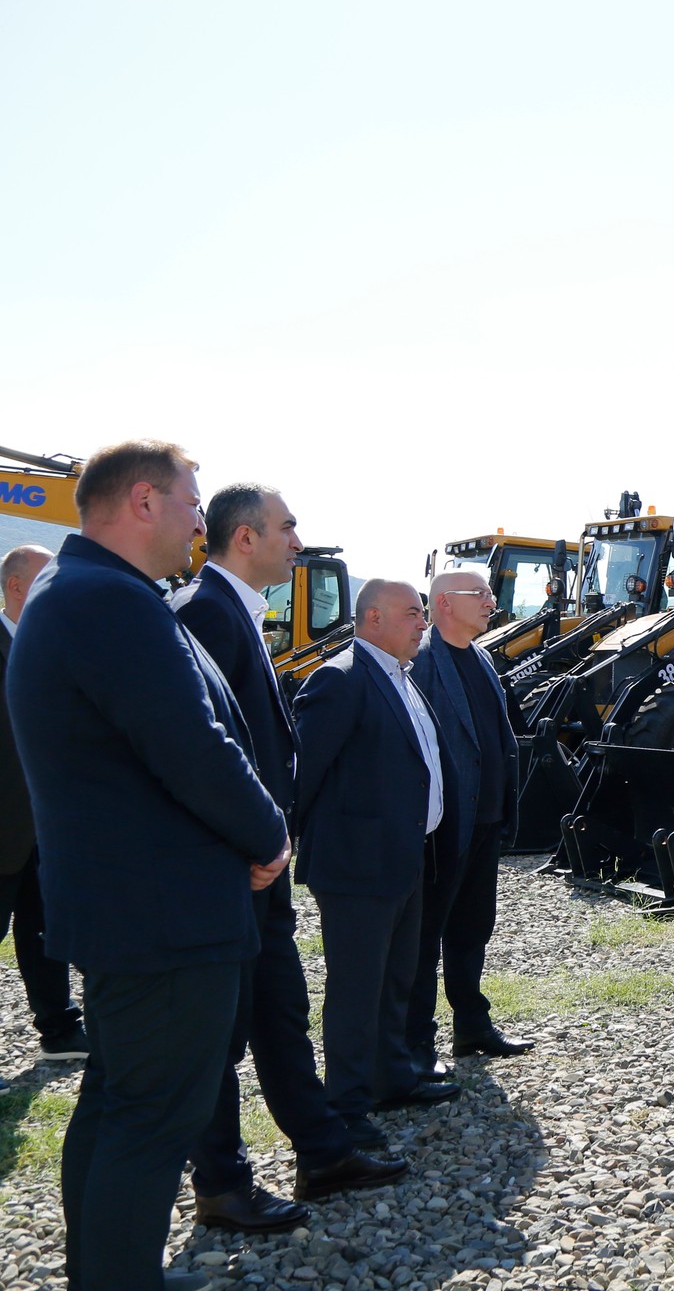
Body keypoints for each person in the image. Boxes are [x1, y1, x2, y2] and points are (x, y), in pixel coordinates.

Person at [5, 440, 289, 1291]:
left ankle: (105, 1272)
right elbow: (191, 745)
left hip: (132, 907)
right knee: (151, 1119)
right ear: (142, 501)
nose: (201, 521)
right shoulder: (106, 599)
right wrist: (268, 834)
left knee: (119, 1103)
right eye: (192, 503)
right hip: (163, 914)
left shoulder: (80, 590)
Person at [173, 486, 407, 1230]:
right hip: (233, 865)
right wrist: (246, 841)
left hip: (260, 859)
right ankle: (221, 1183)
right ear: (246, 538)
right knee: (223, 1029)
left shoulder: (236, 610)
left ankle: (323, 1152)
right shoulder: (206, 612)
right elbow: (199, 751)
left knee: (280, 1011)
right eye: (287, 527)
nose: (298, 543)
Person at [293, 580, 460, 1148]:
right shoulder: (340, 679)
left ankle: (391, 1080)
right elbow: (304, 775)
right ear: (373, 618)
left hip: (404, 855)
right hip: (357, 866)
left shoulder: (401, 676)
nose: (422, 624)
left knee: (396, 979)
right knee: (356, 989)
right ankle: (347, 1105)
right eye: (412, 613)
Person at [407, 570, 531, 1073]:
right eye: (478, 593)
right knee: (424, 935)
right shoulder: (420, 662)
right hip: (444, 826)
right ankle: (415, 1043)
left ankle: (472, 1025)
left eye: (489, 593)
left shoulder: (481, 658)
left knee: (472, 927)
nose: (490, 601)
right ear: (444, 603)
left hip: (484, 820)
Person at [0, 544, 88, 1073]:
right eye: (46, 579)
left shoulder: (51, 649)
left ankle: (59, 1029)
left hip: (45, 827)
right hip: (4, 828)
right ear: (16, 587)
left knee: (44, 931)